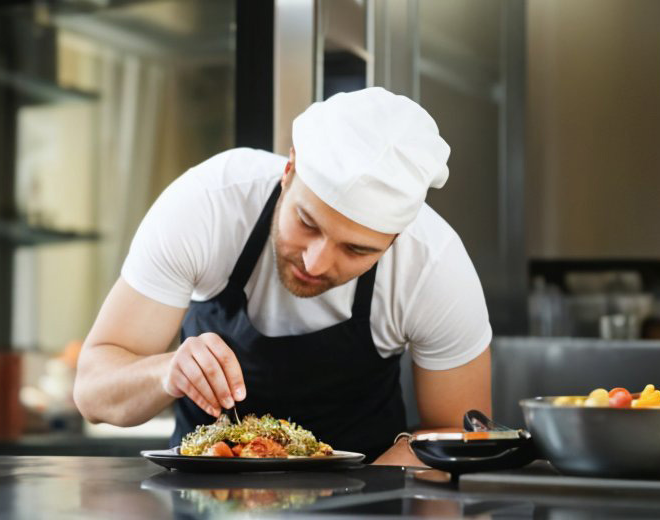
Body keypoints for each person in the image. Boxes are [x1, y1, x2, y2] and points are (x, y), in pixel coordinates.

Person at [70, 87, 491, 465]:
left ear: (396, 238)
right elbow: (92, 392)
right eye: (307, 222)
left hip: (364, 501)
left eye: (356, 249)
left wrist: (367, 496)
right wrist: (166, 373)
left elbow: (464, 435)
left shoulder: (433, 266)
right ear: (289, 170)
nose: (316, 263)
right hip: (201, 502)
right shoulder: (208, 206)